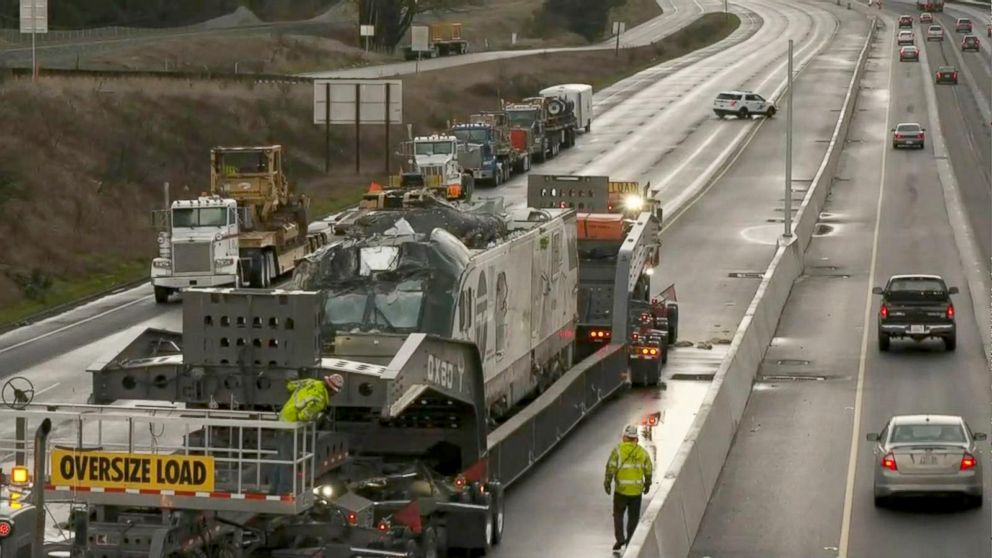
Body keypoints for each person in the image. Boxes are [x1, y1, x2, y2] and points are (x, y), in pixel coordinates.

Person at [270, 374, 344, 495]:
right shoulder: (319, 399)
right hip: (290, 429)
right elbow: (303, 416)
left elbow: (290, 386)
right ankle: (283, 493)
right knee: (289, 465)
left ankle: (273, 492)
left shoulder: (311, 382)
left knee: (282, 462)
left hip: (282, 421)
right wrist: (315, 417)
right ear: (332, 391)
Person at [604, 424, 653, 551]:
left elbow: (610, 467)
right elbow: (648, 470)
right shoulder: (642, 453)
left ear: (625, 437)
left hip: (621, 491)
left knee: (618, 515)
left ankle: (620, 539)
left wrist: (607, 482)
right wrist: (647, 484)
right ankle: (630, 541)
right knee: (633, 517)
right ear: (635, 439)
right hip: (636, 492)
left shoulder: (618, 451)